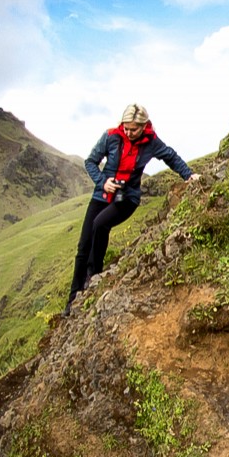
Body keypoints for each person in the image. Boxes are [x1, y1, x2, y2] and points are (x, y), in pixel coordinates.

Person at [66, 103, 197, 309]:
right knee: (84, 245)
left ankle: (94, 276)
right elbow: (90, 161)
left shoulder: (151, 142)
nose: (128, 132)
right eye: (126, 128)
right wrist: (103, 182)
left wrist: (189, 175)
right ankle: (72, 299)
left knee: (100, 224)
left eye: (133, 129)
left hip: (127, 198)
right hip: (102, 194)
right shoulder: (111, 136)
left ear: (144, 126)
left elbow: (170, 157)